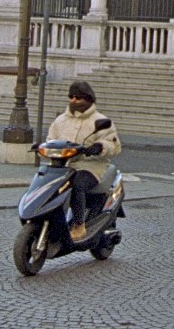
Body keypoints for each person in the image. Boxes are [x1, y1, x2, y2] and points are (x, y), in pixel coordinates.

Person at [46, 80, 122, 241]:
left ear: (88, 99)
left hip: (90, 166)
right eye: (71, 96)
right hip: (61, 166)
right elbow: (51, 139)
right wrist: (43, 148)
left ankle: (79, 224)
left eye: (78, 98)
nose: (73, 100)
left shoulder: (101, 121)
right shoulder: (60, 120)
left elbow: (114, 144)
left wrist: (99, 147)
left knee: (77, 184)